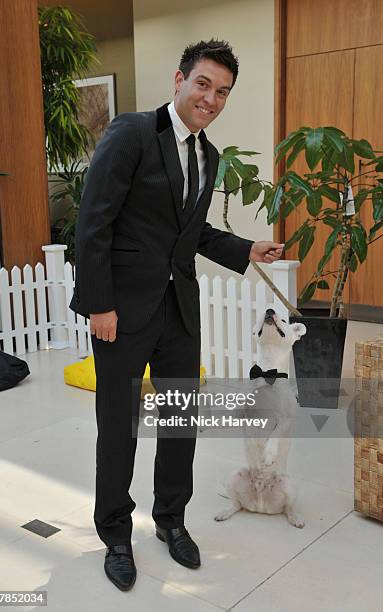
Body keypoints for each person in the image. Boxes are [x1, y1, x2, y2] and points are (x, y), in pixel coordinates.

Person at [69, 39, 284, 592]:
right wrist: (99, 304)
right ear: (179, 80)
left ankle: (171, 519)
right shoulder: (133, 132)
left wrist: (245, 249)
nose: (211, 99)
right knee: (119, 425)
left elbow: (190, 234)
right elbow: (94, 221)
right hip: (122, 308)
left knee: (179, 421)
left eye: (223, 92)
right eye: (204, 84)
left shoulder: (208, 156)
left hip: (178, 310)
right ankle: (115, 532)